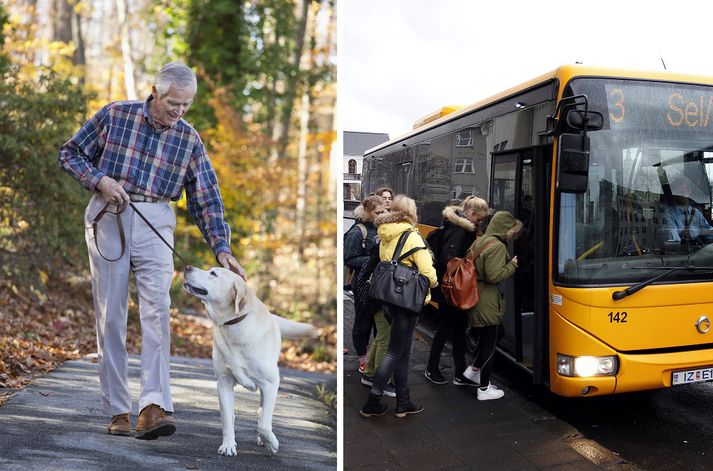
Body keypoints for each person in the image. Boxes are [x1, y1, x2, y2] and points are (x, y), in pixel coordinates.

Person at [58, 62, 246, 438]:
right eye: (174, 103)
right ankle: (116, 410)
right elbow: (70, 154)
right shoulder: (116, 115)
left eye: (186, 105)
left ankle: (153, 406)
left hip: (157, 219)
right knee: (111, 315)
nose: (179, 112)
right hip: (108, 214)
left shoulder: (189, 139)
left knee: (158, 312)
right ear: (155, 93)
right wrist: (99, 180)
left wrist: (221, 248)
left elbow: (206, 198)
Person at [360, 195, 438, 418]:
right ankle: (372, 401)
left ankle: (403, 401)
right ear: (410, 213)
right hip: (407, 302)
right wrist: (435, 280)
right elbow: (427, 274)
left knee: (402, 352)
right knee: (395, 352)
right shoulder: (411, 237)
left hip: (389, 301)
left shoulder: (385, 233)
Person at [425, 196, 489, 386]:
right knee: (445, 330)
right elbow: (449, 259)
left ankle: (460, 373)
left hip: (455, 289)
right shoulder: (459, 231)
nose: (480, 222)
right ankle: (432, 368)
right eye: (479, 218)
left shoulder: (462, 229)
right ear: (471, 213)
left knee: (458, 331)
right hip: (451, 290)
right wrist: (469, 265)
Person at [463, 211, 521, 401]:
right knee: (489, 342)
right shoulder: (496, 246)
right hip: (486, 299)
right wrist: (512, 265)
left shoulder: (482, 239)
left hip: (477, 295)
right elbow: (494, 276)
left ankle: (473, 371)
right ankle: (484, 387)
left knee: (495, 335)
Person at [345, 195, 384, 374]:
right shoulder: (358, 231)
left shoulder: (382, 228)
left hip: (378, 285)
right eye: (378, 212)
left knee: (379, 324)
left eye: (384, 211)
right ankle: (363, 359)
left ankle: (375, 358)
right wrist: (374, 260)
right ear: (368, 212)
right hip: (362, 285)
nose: (381, 215)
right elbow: (349, 259)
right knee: (362, 324)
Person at [663, 177, 713, 245]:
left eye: (684, 192)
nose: (681, 195)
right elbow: (673, 238)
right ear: (674, 193)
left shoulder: (696, 213)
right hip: (681, 253)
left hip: (697, 251)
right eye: (678, 192)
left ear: (690, 191)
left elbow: (708, 230)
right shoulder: (668, 213)